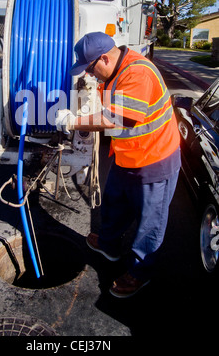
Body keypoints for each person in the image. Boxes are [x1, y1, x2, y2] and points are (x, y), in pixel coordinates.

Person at [55, 31, 181, 298]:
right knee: (114, 203)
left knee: (150, 224)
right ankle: (110, 245)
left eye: (90, 68)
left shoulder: (138, 73)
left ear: (103, 58)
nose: (89, 75)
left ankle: (138, 274)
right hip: (127, 156)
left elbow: (115, 120)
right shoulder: (112, 73)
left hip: (154, 160)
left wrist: (73, 122)